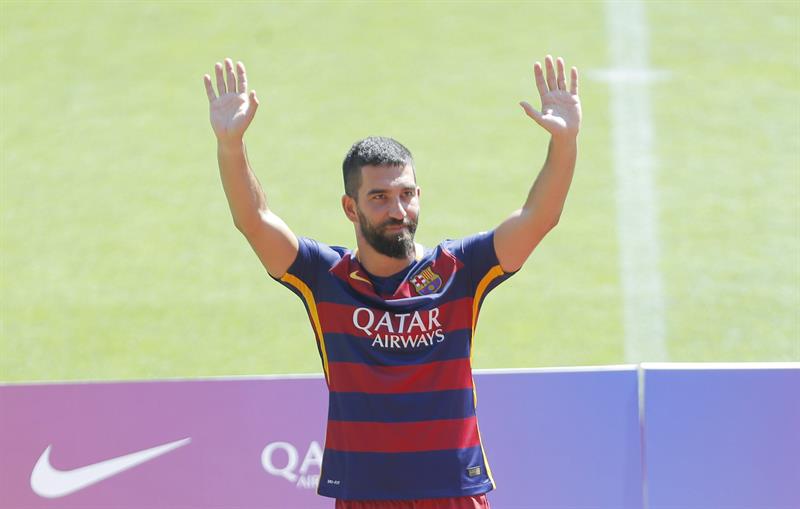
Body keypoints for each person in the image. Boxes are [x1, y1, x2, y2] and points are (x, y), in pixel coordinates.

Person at [203, 55, 581, 509]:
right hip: (364, 495)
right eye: (379, 198)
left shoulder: (460, 270)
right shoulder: (325, 278)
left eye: (406, 195)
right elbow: (255, 219)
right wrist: (230, 146)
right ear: (350, 207)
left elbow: (539, 218)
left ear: (419, 196)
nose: (397, 211)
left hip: (453, 494)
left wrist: (565, 141)